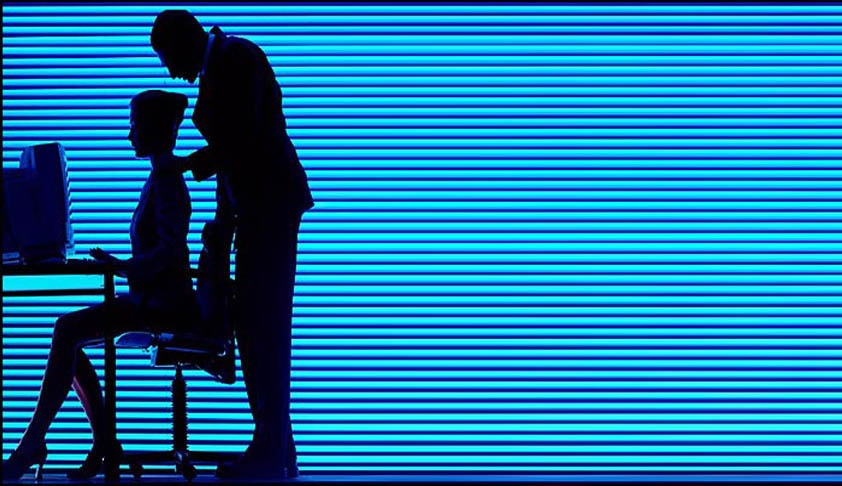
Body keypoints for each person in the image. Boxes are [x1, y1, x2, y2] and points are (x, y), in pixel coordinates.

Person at [149, 10, 314, 480]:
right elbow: (233, 160)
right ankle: (276, 447)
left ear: (184, 41)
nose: (169, 72)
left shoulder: (236, 58)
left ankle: (271, 449)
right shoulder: (221, 64)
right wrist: (223, 224)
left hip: (271, 208)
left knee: (265, 327)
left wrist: (186, 166)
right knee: (257, 327)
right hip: (257, 211)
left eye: (166, 58)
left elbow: (242, 140)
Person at [2, 90, 196, 481]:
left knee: (67, 331)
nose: (128, 135)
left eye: (134, 125)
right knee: (70, 337)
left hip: (162, 303)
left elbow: (168, 252)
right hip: (150, 297)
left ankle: (36, 443)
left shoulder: (167, 181)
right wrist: (120, 266)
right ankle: (101, 442)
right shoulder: (160, 178)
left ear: (155, 129)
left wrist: (120, 267)